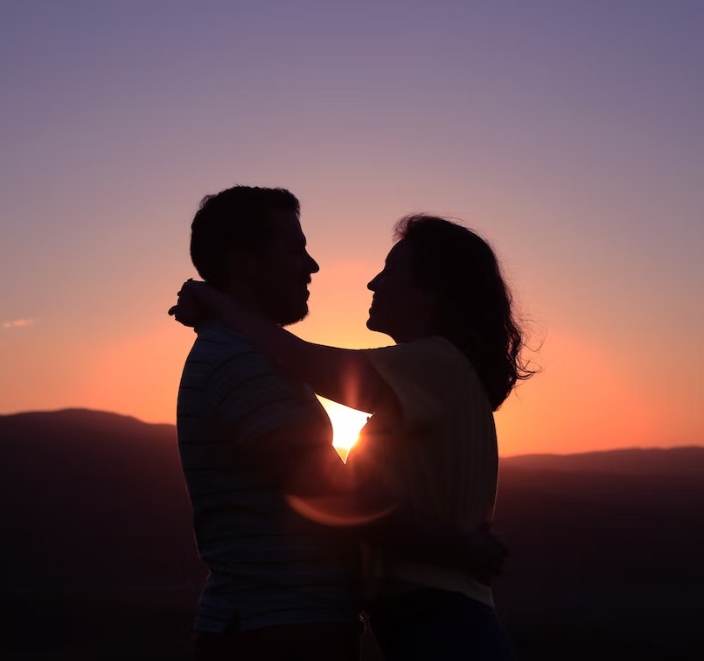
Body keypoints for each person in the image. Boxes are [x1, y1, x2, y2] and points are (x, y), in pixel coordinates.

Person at [172, 214, 533, 660]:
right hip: (426, 615)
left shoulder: (435, 364)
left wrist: (215, 301)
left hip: (440, 616)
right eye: (294, 250)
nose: (372, 283)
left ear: (431, 291)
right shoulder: (430, 374)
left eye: (390, 272)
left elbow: (300, 358)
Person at [175, 186, 361, 661]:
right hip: (275, 631)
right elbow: (326, 489)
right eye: (295, 249)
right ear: (243, 261)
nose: (312, 265)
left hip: (279, 624)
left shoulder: (255, 355)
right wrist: (452, 544)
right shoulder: (238, 361)